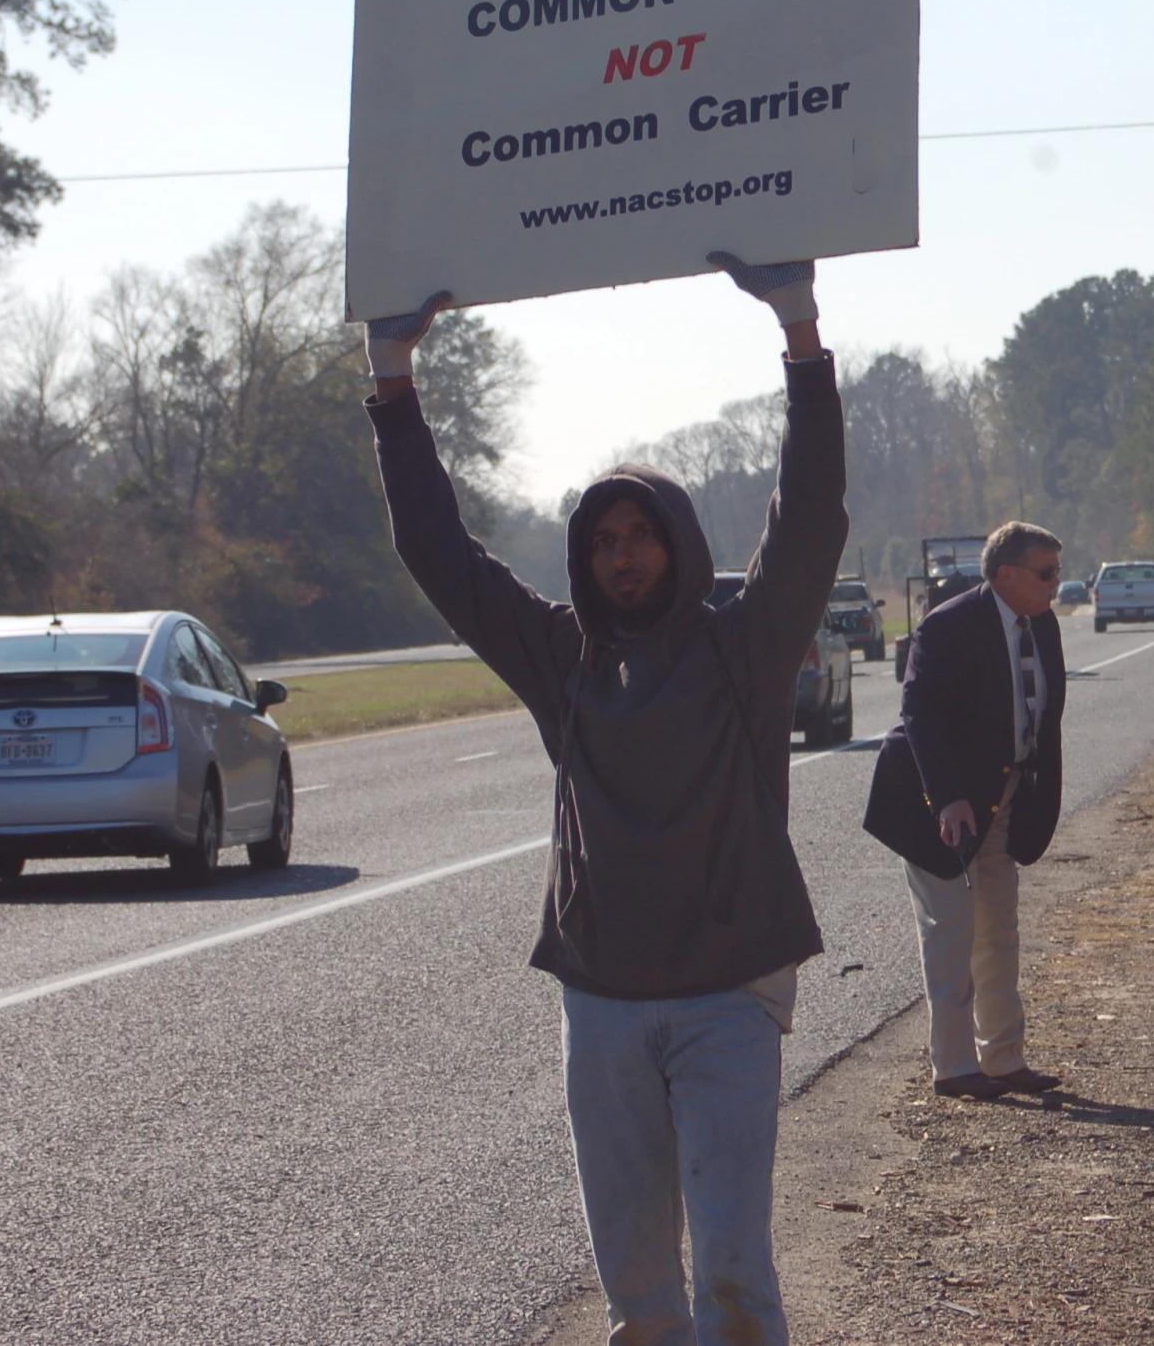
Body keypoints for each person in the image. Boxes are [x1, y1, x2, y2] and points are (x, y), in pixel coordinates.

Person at [362, 252, 844, 1346]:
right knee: (639, 1293)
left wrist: (800, 330)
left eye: (642, 535)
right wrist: (390, 373)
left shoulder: (743, 649)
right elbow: (438, 551)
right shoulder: (560, 658)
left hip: (727, 1001)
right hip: (603, 1005)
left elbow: (810, 518)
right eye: (603, 540)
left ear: (679, 543)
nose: (623, 555)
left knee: (732, 1269)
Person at [861, 521, 1069, 1100]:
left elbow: (1042, 718)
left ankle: (1003, 1058)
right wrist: (948, 798)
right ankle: (954, 1069)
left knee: (998, 933)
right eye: (1047, 572)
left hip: (1003, 802)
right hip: (936, 805)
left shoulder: (1043, 625)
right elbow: (920, 716)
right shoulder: (947, 626)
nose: (1058, 583)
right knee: (950, 933)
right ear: (1007, 575)